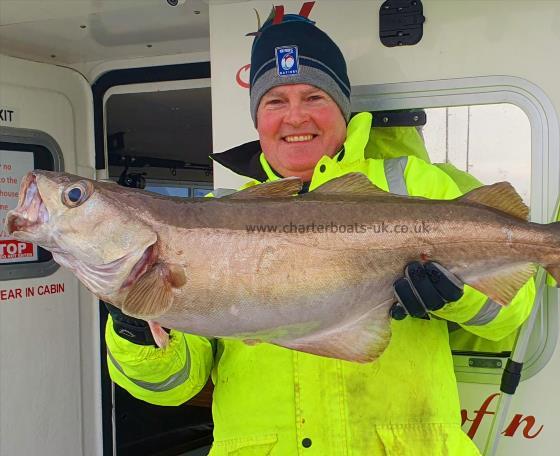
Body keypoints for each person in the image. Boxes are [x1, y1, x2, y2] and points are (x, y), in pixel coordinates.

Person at [105, 6, 535, 455]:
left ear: (342, 107)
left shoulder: (417, 184)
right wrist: (135, 333)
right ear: (257, 117)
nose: (295, 118)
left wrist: (457, 294)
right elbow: (174, 385)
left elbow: (513, 307)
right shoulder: (209, 222)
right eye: (275, 101)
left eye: (314, 97)